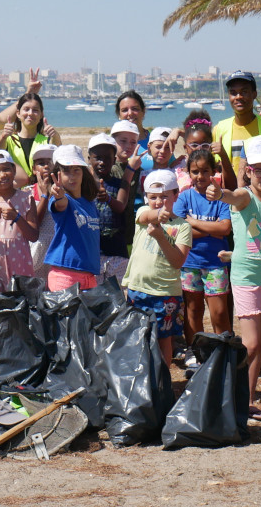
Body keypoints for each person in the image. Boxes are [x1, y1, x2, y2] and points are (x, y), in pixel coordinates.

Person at [205, 136, 261, 420]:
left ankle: (248, 401)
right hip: (247, 279)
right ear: (249, 170)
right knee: (250, 344)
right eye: (258, 170)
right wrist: (220, 194)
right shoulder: (245, 196)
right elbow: (232, 196)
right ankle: (230, 395)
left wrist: (233, 252)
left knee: (260, 342)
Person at [124, 169, 192, 365]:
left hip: (166, 292)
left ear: (176, 195)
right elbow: (146, 217)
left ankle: (162, 384)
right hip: (138, 288)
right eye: (153, 197)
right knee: (139, 338)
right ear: (146, 198)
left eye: (164, 196)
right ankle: (142, 381)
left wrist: (161, 237)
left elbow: (178, 261)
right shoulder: (142, 213)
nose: (159, 201)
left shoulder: (183, 226)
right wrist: (157, 215)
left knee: (164, 340)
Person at [173, 148, 232, 369]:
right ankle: (195, 350)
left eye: (205, 171)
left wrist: (193, 223)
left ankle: (224, 349)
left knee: (219, 311)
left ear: (213, 172)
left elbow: (225, 228)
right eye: (195, 172)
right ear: (188, 172)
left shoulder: (220, 196)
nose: (200, 176)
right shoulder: (185, 196)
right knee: (193, 310)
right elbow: (177, 229)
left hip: (216, 262)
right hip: (189, 263)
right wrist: (211, 229)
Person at [0, 149, 38, 293]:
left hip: (19, 261)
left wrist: (17, 218)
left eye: (6, 169)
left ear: (14, 170)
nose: (2, 175)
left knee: (20, 306)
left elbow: (33, 236)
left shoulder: (26, 199)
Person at [44, 144, 102, 291]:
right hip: (65, 276)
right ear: (58, 174)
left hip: (89, 277)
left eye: (76, 170)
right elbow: (60, 205)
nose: (72, 177)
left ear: (83, 172)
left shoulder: (89, 203)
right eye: (66, 172)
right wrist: (59, 196)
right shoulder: (63, 200)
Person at [89, 132, 135, 282]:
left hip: (117, 251)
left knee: (118, 294)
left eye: (107, 158)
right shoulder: (84, 186)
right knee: (94, 296)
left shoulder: (120, 184)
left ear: (114, 160)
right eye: (98, 158)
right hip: (92, 251)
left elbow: (121, 206)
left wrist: (108, 199)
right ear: (89, 159)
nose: (102, 162)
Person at [212, 71, 261, 189]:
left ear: (254, 94)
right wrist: (178, 132)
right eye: (233, 93)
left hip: (259, 196)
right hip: (229, 197)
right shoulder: (220, 128)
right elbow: (196, 130)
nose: (238, 97)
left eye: (244, 92)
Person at [0, 92, 59, 183]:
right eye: (26, 109)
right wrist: (3, 136)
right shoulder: (9, 140)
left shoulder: (47, 141)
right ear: (18, 113)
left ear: (41, 115)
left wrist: (56, 136)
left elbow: (58, 154)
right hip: (16, 193)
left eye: (35, 110)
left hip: (42, 191)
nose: (30, 113)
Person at [27, 145, 58, 279]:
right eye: (41, 163)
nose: (46, 166)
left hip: (56, 250)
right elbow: (35, 223)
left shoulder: (62, 193)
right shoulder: (27, 193)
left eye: (50, 162)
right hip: (35, 250)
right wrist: (45, 194)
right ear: (34, 169)